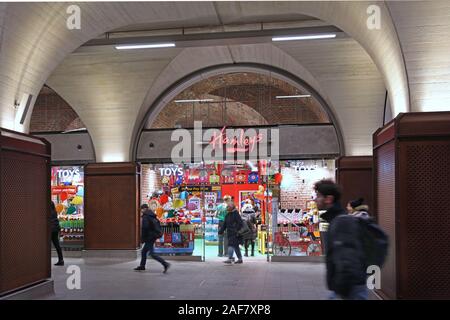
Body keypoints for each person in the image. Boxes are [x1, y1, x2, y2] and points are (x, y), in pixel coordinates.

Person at [314, 180, 368, 300]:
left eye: (318, 196)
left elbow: (347, 259)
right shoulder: (336, 220)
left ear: (328, 199)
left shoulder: (341, 222)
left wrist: (341, 290)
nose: (315, 199)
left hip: (350, 290)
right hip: (346, 289)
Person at [134, 204, 170, 273]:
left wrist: (142, 238)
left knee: (152, 254)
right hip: (153, 236)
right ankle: (142, 266)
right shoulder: (152, 215)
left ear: (144, 209)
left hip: (149, 237)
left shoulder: (146, 216)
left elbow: (145, 228)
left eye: (141, 209)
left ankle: (165, 264)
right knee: (144, 251)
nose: (141, 211)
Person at [50, 201, 64, 266]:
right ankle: (61, 260)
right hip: (56, 229)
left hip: (51, 229)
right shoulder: (54, 211)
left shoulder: (48, 212)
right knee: (57, 245)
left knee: (46, 246)